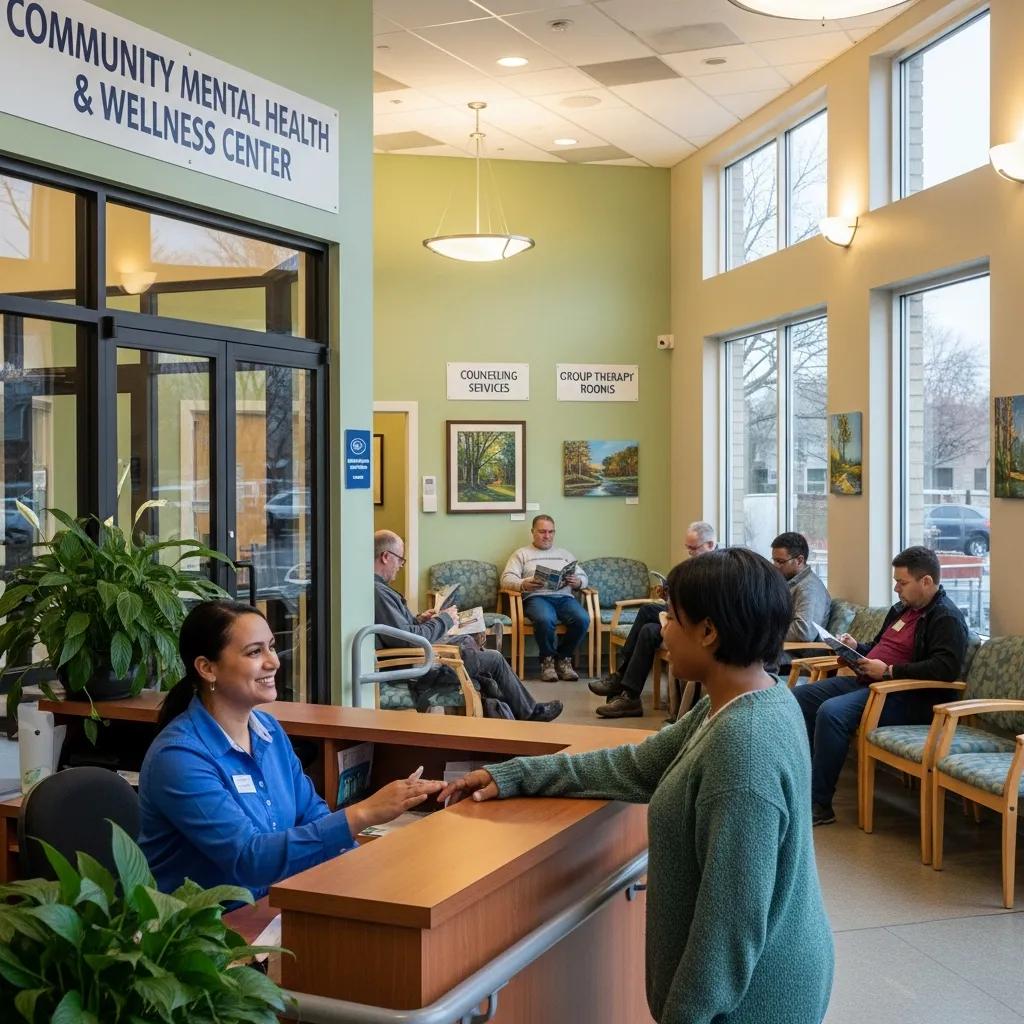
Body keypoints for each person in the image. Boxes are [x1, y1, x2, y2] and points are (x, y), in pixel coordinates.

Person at [440, 549, 834, 1024]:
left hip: (753, 1002)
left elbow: (730, 929)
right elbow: (638, 765)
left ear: (708, 632)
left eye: (672, 615)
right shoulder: (748, 698)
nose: (662, 626)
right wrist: (515, 774)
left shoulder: (743, 747)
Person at [138, 601, 444, 898]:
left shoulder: (270, 731)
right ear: (207, 668)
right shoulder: (179, 758)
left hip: (273, 910)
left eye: (271, 646)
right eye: (255, 652)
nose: (273, 661)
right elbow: (249, 859)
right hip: (208, 933)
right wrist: (364, 813)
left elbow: (313, 816)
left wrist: (362, 874)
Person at [794, 545, 968, 827]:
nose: (897, 589)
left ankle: (819, 803)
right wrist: (854, 648)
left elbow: (945, 669)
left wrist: (888, 671)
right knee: (801, 697)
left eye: (902, 582)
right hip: (872, 682)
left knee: (832, 713)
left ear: (926, 582)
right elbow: (878, 647)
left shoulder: (946, 617)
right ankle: (801, 785)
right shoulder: (902, 610)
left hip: (908, 697)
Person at [374, 531, 562, 722]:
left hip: (417, 658)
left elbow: (401, 630)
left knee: (472, 645)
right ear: (386, 557)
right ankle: (528, 712)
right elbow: (408, 641)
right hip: (415, 666)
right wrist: (443, 620)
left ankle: (511, 706)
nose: (400, 566)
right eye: (400, 560)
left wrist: (420, 619)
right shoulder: (379, 592)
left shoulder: (378, 589)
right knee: (494, 659)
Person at [588, 521, 716, 718]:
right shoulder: (698, 563)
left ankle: (622, 681)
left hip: (699, 619)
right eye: (688, 548)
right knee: (648, 628)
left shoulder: (720, 567)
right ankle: (630, 697)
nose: (690, 553)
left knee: (648, 611)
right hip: (685, 614)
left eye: (694, 548)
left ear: (710, 544)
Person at [501, 515, 590, 682]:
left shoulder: (564, 554)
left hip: (564, 597)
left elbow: (583, 578)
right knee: (544, 618)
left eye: (550, 532)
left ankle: (563, 659)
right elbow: (506, 579)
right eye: (542, 532)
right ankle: (547, 661)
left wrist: (578, 582)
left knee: (582, 618)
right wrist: (524, 584)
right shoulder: (522, 554)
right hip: (537, 598)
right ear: (533, 532)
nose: (547, 536)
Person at [770, 531, 831, 654]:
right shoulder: (789, 582)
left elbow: (804, 631)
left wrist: (764, 633)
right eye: (774, 560)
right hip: (779, 650)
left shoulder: (809, 588)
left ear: (799, 560)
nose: (775, 566)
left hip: (796, 658)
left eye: (780, 562)